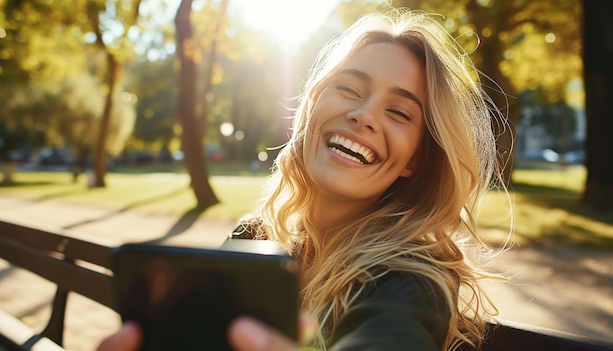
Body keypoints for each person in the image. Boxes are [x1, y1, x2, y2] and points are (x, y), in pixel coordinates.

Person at [98, 7, 510, 351]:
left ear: (415, 161)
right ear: (310, 108)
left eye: (399, 113)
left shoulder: (412, 278)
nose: (364, 115)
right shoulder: (252, 237)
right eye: (349, 88)